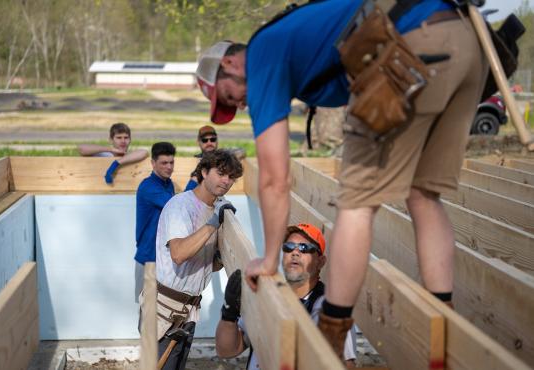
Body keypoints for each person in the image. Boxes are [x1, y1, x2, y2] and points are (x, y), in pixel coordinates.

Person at [196, 0, 487, 359]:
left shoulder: (263, 53)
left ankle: (331, 335)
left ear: (229, 63)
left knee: (356, 203)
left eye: (229, 95)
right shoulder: (300, 38)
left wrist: (270, 258)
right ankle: (446, 322)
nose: (240, 103)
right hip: (466, 46)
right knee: (424, 194)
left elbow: (273, 179)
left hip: (412, 48)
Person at [215, 223, 357, 368]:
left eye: (304, 248)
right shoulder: (268, 296)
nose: (295, 252)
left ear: (321, 261)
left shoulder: (329, 308)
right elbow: (226, 350)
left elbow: (346, 365)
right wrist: (229, 312)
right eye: (289, 247)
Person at [151, 149, 243, 369]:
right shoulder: (180, 206)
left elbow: (205, 264)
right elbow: (179, 254)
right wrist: (213, 223)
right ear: (203, 171)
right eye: (221, 173)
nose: (226, 180)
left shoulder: (215, 209)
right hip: (164, 311)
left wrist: (223, 258)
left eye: (231, 176)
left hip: (189, 309)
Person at [134, 142, 176, 302]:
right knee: (147, 317)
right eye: (164, 163)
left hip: (163, 261)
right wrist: (194, 182)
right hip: (149, 260)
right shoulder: (148, 187)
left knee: (164, 315)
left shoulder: (168, 184)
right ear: (153, 163)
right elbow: (176, 207)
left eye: (171, 162)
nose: (169, 167)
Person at [77, 122, 148, 184]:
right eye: (119, 138)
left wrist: (116, 164)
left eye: (126, 138)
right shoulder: (104, 154)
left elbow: (144, 152)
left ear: (130, 140)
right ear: (111, 140)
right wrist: (111, 149)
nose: (123, 141)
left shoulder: (131, 156)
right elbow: (81, 148)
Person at [184, 125, 219, 191]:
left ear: (217, 141)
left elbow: (240, 152)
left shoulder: (224, 157)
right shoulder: (193, 161)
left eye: (213, 139)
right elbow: (188, 193)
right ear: (198, 142)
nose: (209, 143)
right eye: (205, 140)